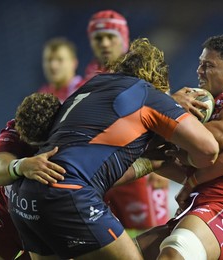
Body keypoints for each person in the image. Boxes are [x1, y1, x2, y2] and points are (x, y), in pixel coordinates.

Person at [9, 38, 219, 260]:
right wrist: (174, 109)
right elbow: (208, 150)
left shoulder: (90, 87)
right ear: (158, 81)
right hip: (68, 193)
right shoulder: (147, 93)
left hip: (24, 196)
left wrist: (147, 161)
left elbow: (99, 163)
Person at [135, 34, 223, 260]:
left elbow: (222, 135)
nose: (199, 70)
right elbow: (173, 160)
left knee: (174, 254)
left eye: (208, 65)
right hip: (194, 204)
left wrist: (172, 112)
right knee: (118, 254)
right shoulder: (204, 104)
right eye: (200, 64)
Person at [0, 37, 81, 260]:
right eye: (49, 60)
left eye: (59, 59)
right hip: (10, 207)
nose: (53, 65)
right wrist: (21, 165)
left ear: (73, 62)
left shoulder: (82, 107)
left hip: (53, 211)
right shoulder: (30, 110)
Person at [86, 9, 171, 233]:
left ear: (123, 38)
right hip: (105, 176)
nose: (104, 43)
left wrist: (157, 168)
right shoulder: (88, 78)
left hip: (141, 173)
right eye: (98, 38)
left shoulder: (143, 71)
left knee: (153, 238)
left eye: (110, 37)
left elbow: (166, 116)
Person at [38, 37, 83, 102]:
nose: (53, 66)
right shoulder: (43, 94)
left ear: (74, 63)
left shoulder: (84, 91)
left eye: (60, 60)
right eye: (49, 60)